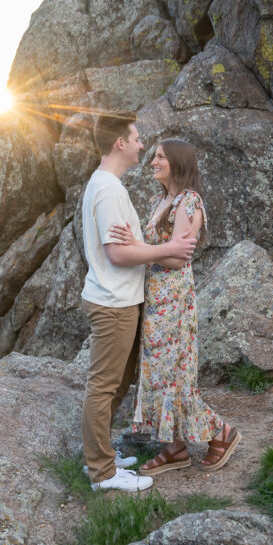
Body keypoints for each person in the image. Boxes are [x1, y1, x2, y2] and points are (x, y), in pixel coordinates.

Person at [80, 114, 198, 493]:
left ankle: (102, 458)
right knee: (103, 387)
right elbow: (117, 254)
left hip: (122, 300)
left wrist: (139, 243)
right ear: (119, 143)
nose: (142, 146)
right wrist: (167, 248)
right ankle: (102, 473)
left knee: (116, 385)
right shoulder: (110, 190)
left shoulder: (108, 186)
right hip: (113, 302)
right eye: (135, 139)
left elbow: (125, 246)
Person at [109, 139, 240, 476]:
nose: (153, 161)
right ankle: (174, 447)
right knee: (158, 373)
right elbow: (162, 249)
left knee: (174, 375)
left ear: (178, 163)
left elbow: (176, 256)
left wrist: (137, 245)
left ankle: (220, 433)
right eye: (153, 155)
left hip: (174, 298)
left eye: (160, 157)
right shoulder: (161, 200)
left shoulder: (189, 202)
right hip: (154, 296)